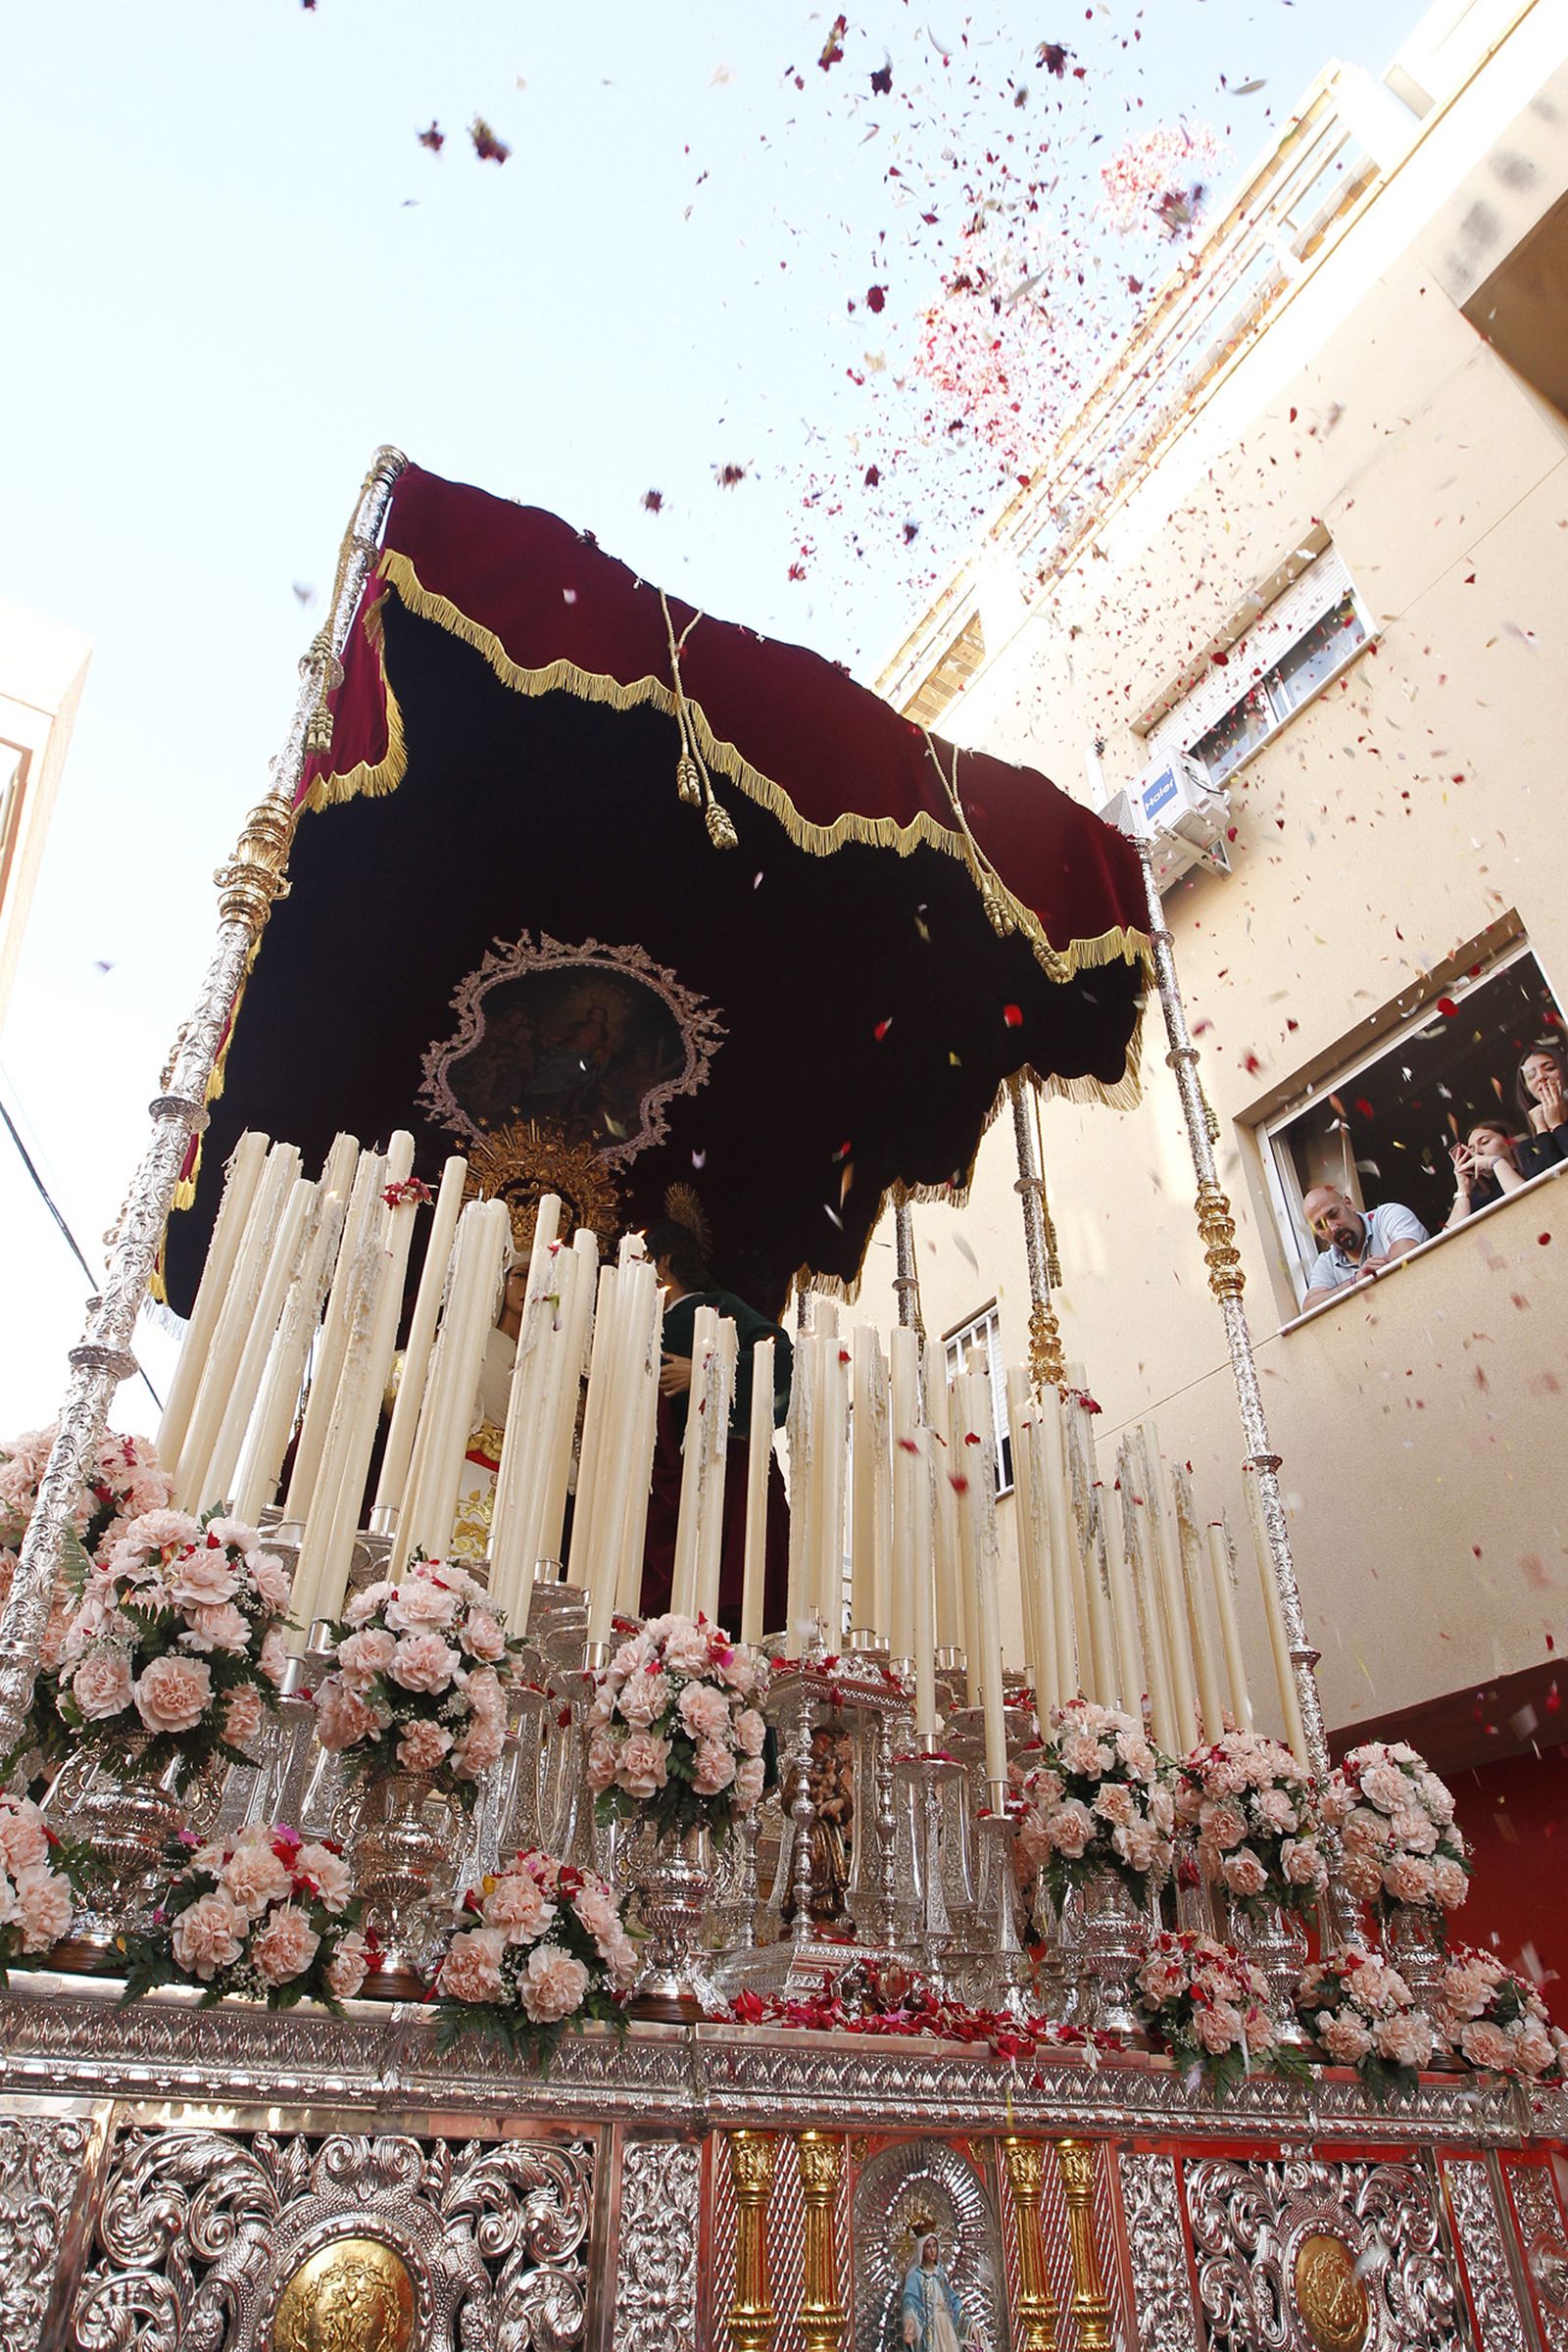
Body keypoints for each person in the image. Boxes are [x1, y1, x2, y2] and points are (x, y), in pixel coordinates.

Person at [640, 1216, 793, 1629]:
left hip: (724, 1470)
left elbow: (777, 1355)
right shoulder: (641, 1319)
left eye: (644, 1258)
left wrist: (706, 1372)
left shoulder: (717, 1307)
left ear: (665, 1260)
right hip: (660, 1483)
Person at [1302, 1185, 1428, 1293]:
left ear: (1349, 1204)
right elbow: (1310, 1307)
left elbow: (1404, 1258)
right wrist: (1356, 1280)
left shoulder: (1388, 1215)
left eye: (1334, 1214)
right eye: (1321, 1226)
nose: (1333, 1228)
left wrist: (1365, 1279)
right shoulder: (1326, 1261)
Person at [1445, 1119, 1525, 1228]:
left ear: (1508, 1142)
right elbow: (1449, 1237)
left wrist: (1496, 1162)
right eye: (1471, 1149)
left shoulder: (1533, 1165)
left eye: (1485, 1142)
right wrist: (1463, 1189)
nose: (1477, 1152)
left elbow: (1528, 1203)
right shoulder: (1478, 1197)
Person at [900, 2233, 971, 2351]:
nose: (932, 2250)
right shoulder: (916, 2276)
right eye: (928, 2247)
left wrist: (969, 2323)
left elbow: (953, 2301)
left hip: (947, 2325)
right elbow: (910, 2300)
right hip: (931, 2328)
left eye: (934, 2246)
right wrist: (910, 2321)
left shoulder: (940, 2275)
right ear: (921, 2249)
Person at [1514, 1040, 1568, 1179]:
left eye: (1549, 1068)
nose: (1541, 1078)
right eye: (1531, 1076)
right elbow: (1556, 1180)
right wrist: (1542, 1130)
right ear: (1527, 1089)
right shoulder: (1526, 1147)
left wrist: (1556, 1124)